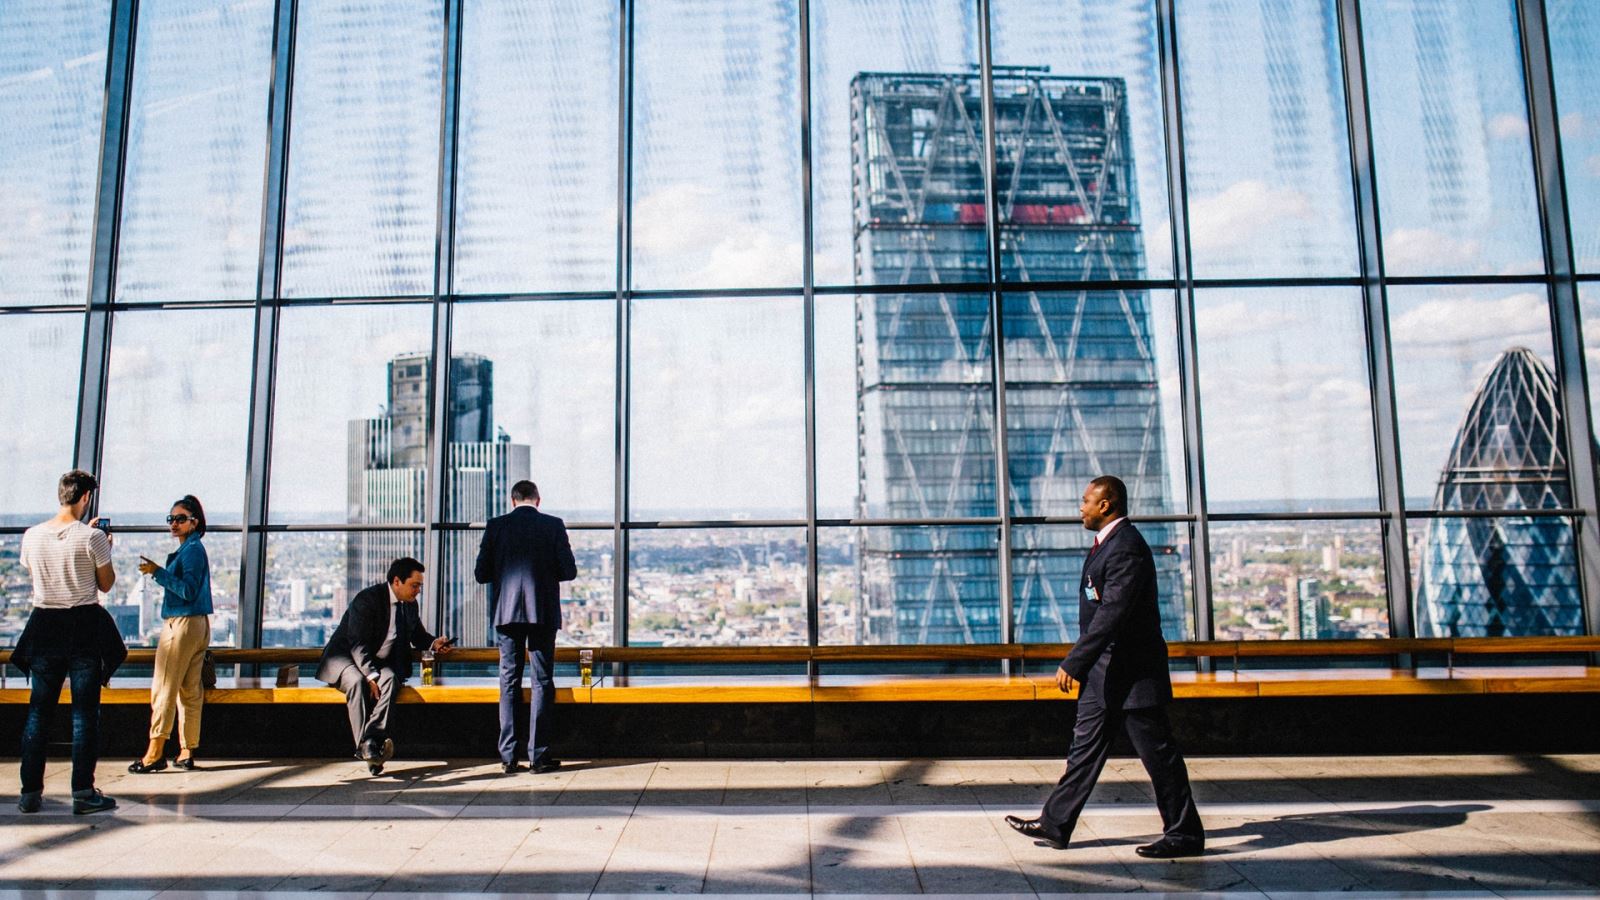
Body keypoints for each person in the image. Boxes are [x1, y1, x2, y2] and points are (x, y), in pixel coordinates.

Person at [1006, 475, 1205, 858]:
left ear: (1106, 504)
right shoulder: (1108, 545)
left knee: (1159, 756)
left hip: (1131, 674)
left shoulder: (1126, 548)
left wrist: (1075, 661)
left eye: (1085, 501)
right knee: (1083, 750)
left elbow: (1112, 613)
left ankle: (1184, 834)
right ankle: (1055, 823)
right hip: (1105, 675)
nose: (1079, 508)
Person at [12, 470, 123, 815]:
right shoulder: (92, 538)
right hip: (83, 628)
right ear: (86, 498)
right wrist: (104, 546)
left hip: (44, 626)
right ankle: (83, 791)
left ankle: (30, 792)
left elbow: (34, 574)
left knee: (38, 712)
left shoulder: (31, 536)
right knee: (84, 714)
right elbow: (106, 584)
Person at [315, 557, 454, 775]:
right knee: (358, 682)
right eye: (414, 585)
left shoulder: (410, 605)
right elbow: (357, 644)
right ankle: (371, 748)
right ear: (397, 581)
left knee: (391, 679)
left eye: (420, 586)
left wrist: (434, 643)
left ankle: (370, 743)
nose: (418, 591)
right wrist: (371, 676)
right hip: (345, 658)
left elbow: (417, 634)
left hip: (378, 662)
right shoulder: (368, 600)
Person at [475, 479, 577, 774]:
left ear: (512, 500)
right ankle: (539, 756)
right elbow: (568, 570)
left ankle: (508, 757)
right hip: (542, 611)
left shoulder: (495, 526)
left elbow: (482, 574)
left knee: (508, 681)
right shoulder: (554, 525)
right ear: (538, 500)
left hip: (507, 613)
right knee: (542, 681)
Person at [129, 495, 213, 773]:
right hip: (197, 625)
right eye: (171, 519)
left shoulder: (191, 552)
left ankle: (154, 752)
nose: (174, 524)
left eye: (180, 519)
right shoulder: (193, 549)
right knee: (189, 690)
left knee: (164, 687)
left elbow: (187, 590)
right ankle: (187, 750)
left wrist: (157, 572)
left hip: (181, 625)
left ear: (194, 522)